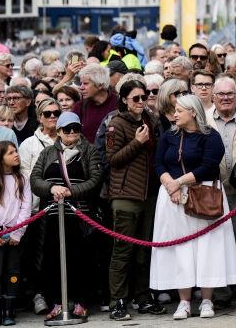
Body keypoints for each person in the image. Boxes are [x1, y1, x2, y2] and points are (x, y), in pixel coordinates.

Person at [151, 93, 236, 320]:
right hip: (172, 199)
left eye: (179, 110)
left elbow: (209, 167)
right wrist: (169, 184)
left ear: (193, 112)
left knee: (207, 247)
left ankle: (207, 300)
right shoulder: (170, 135)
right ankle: (184, 301)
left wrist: (178, 183)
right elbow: (159, 162)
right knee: (180, 248)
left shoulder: (210, 137)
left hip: (203, 196)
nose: (175, 114)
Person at [30, 112, 102, 320]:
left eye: (75, 128)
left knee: (81, 258)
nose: (72, 133)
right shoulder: (47, 153)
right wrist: (52, 188)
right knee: (52, 259)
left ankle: (81, 302)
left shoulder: (89, 151)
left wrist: (71, 192)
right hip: (53, 216)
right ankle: (57, 303)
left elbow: (95, 179)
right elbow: (35, 179)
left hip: (80, 214)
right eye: (67, 129)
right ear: (59, 131)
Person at [104, 80, 163, 320]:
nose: (142, 101)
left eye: (145, 96)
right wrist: (136, 143)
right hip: (126, 194)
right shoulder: (116, 124)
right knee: (123, 251)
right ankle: (117, 300)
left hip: (150, 193)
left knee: (144, 250)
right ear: (124, 100)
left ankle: (142, 297)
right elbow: (113, 159)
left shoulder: (150, 119)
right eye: (136, 98)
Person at [204, 76, 236, 289]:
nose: (226, 98)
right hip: (212, 193)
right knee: (216, 248)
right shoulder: (202, 121)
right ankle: (220, 296)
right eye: (221, 94)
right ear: (213, 97)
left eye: (230, 94)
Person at [0, 141, 30, 327]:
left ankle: (10, 309)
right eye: (10, 153)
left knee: (13, 271)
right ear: (0, 158)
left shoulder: (22, 179)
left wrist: (17, 233)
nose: (16, 154)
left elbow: (26, 208)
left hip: (15, 235)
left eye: (15, 151)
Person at [74, 64, 118, 143]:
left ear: (100, 85)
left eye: (86, 84)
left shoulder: (119, 103)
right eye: (81, 84)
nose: (81, 87)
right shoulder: (80, 106)